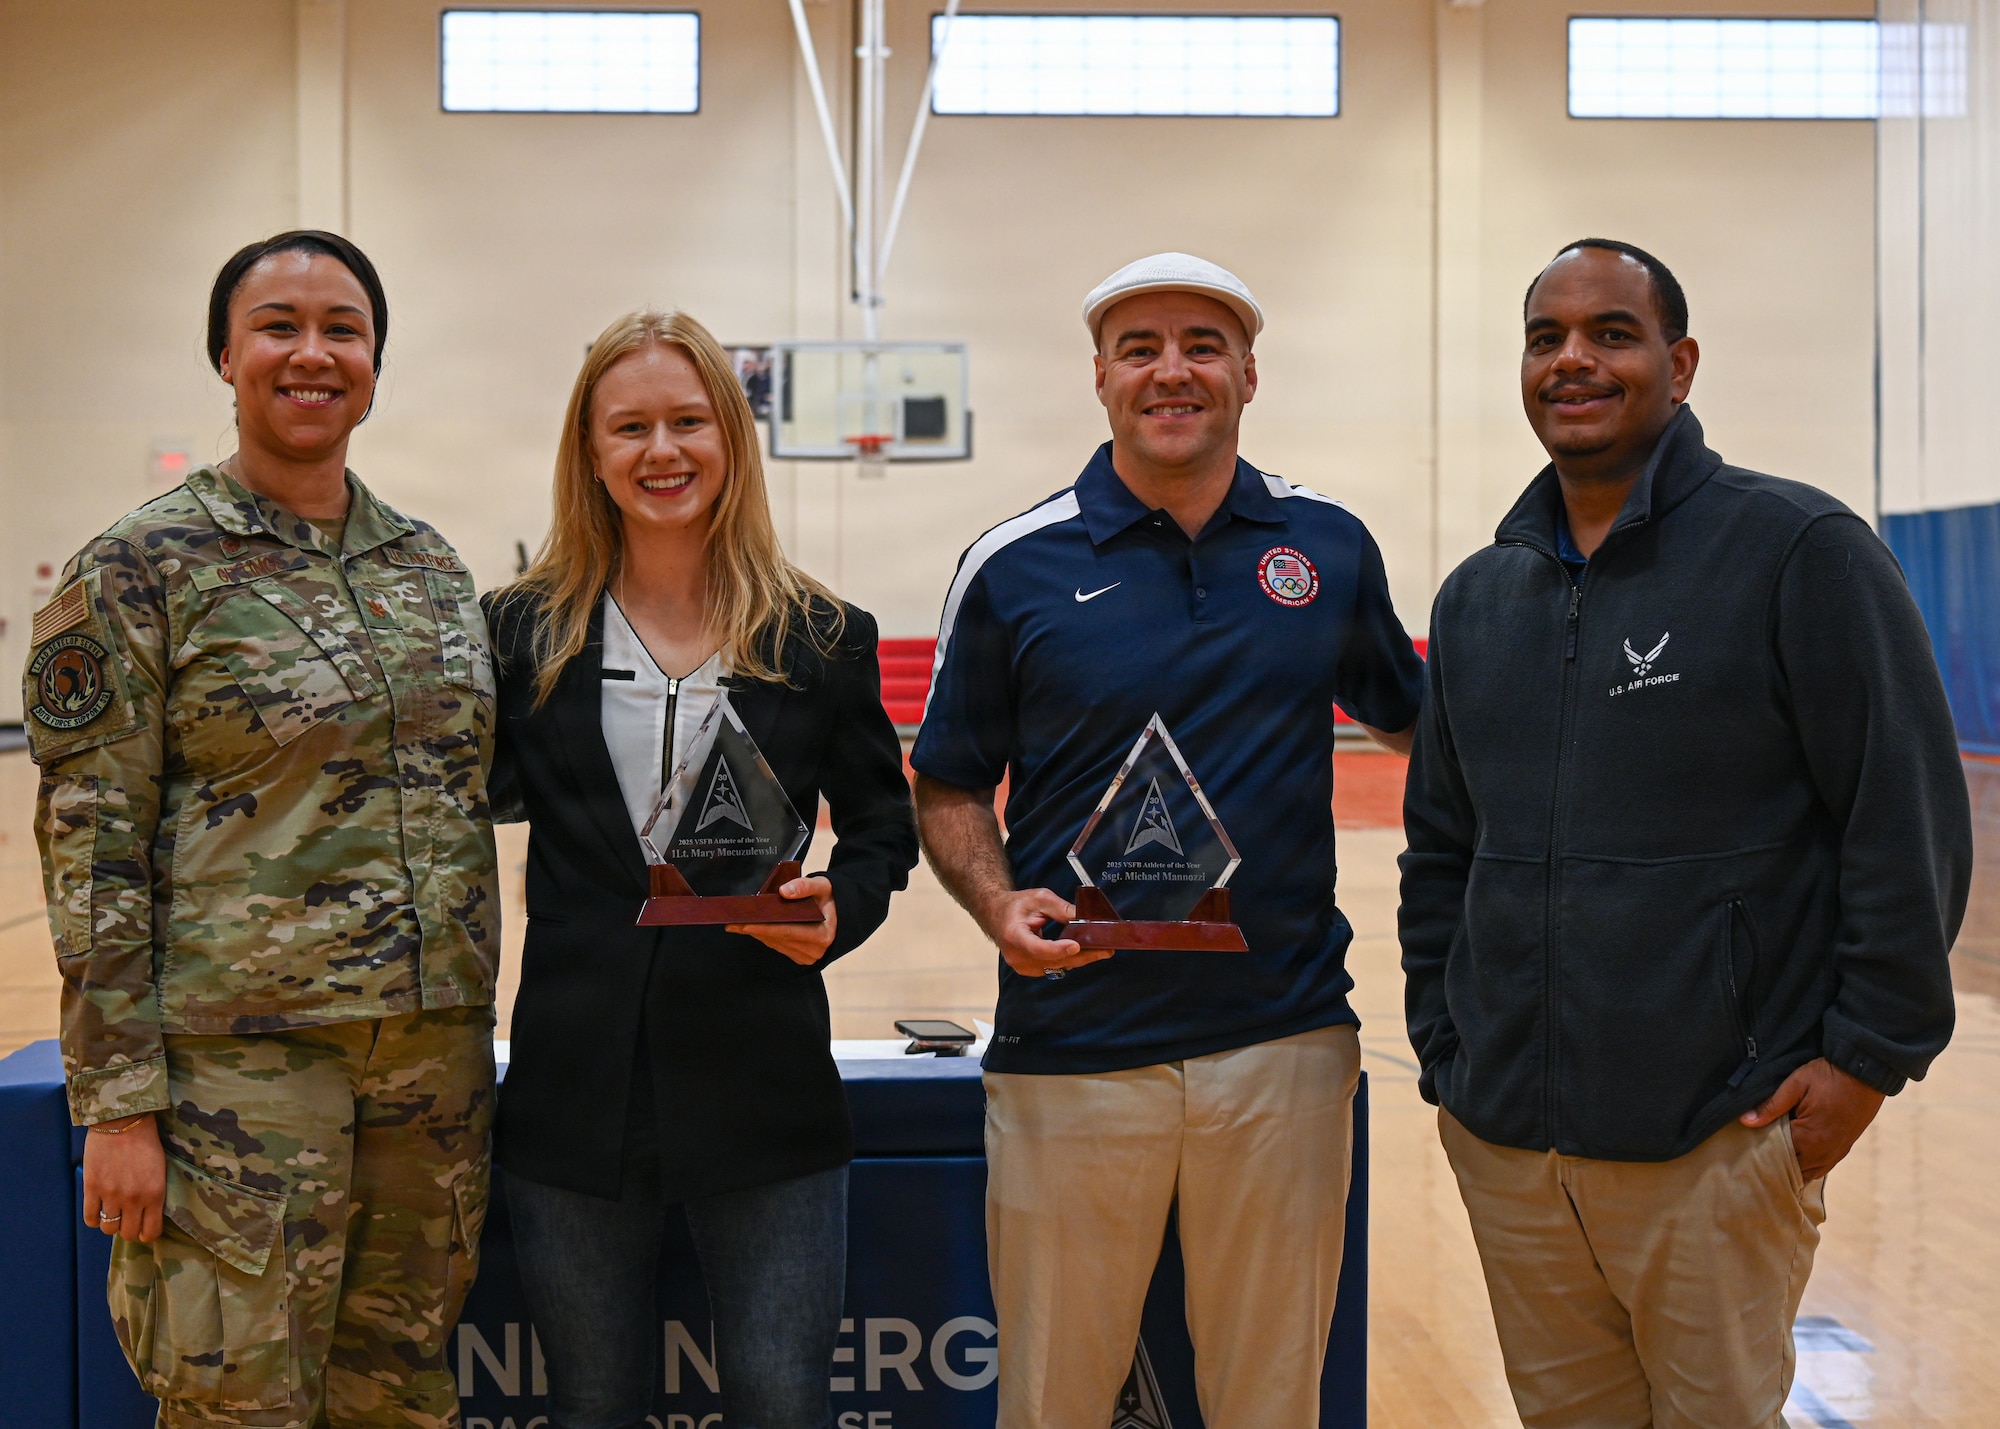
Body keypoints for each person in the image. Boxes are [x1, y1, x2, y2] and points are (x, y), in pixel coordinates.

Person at [1399, 238, 1973, 1429]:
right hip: (1508, 1147)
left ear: (1680, 363)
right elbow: (1440, 852)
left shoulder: (1798, 552)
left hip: (1716, 1140)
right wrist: (1448, 1053)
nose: (1572, 359)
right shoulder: (1477, 598)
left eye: (1610, 333)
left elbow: (1901, 814)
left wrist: (1866, 1059)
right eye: (1545, 337)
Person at [912, 253, 1424, 1428]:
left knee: (1269, 1403)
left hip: (1284, 1044)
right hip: (1071, 1044)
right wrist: (996, 903)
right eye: (1138, 349)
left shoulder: (1327, 547)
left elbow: (1415, 725)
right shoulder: (1011, 565)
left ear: (1248, 372)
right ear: (1099, 377)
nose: (1170, 371)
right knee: (1052, 1402)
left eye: (1201, 345)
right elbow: (946, 786)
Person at [26, 230, 499, 1427]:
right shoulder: (138, 567)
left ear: (376, 362)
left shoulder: (429, 568)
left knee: (405, 1398)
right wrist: (117, 1100)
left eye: (344, 329)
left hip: (428, 1074)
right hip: (237, 1083)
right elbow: (92, 846)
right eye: (279, 326)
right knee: (235, 1406)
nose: (312, 353)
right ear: (225, 356)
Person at [484, 310, 918, 1429]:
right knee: (590, 1407)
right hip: (572, 1089)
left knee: (781, 1403)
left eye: (687, 421)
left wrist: (839, 909)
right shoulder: (520, 635)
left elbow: (883, 827)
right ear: (589, 452)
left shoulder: (822, 635)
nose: (661, 450)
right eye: (629, 426)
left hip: (765, 1084)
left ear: (731, 437)